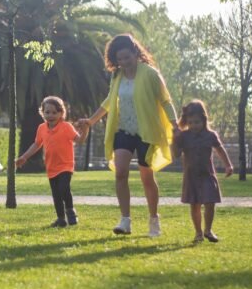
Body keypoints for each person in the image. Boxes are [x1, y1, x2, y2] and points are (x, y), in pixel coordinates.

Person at [77, 34, 179, 237]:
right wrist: (91, 121)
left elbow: (165, 100)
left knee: (146, 177)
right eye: (119, 59)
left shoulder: (150, 74)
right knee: (120, 172)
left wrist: (175, 125)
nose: (123, 62)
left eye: (126, 57)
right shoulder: (117, 77)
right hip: (124, 130)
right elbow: (109, 101)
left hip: (146, 132)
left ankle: (153, 220)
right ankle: (125, 220)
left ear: (135, 53)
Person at [172, 99, 233, 243]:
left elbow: (220, 149)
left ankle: (208, 230)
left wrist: (228, 165)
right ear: (187, 121)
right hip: (191, 176)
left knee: (210, 203)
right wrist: (174, 140)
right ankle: (198, 232)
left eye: (197, 122)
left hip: (207, 175)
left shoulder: (210, 135)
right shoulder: (184, 136)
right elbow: (175, 154)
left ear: (204, 120)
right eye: (191, 122)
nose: (194, 125)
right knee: (195, 205)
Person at [16, 96, 81, 227]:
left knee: (64, 188)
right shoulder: (41, 128)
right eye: (47, 112)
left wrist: (85, 129)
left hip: (65, 165)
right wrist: (24, 157)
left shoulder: (66, 127)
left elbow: (78, 140)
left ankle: (70, 210)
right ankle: (61, 219)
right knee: (56, 194)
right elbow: (36, 145)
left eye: (54, 112)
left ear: (61, 113)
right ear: (42, 112)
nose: (50, 115)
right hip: (51, 167)